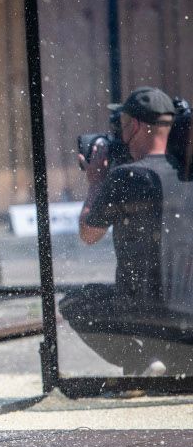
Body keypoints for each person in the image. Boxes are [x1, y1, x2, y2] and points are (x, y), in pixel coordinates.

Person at [60, 86, 193, 378]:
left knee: (75, 302)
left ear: (135, 126)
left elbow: (89, 234)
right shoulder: (186, 175)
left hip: (147, 316)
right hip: (189, 320)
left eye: (121, 126)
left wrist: (96, 181)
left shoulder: (127, 176)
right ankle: (172, 361)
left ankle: (141, 361)